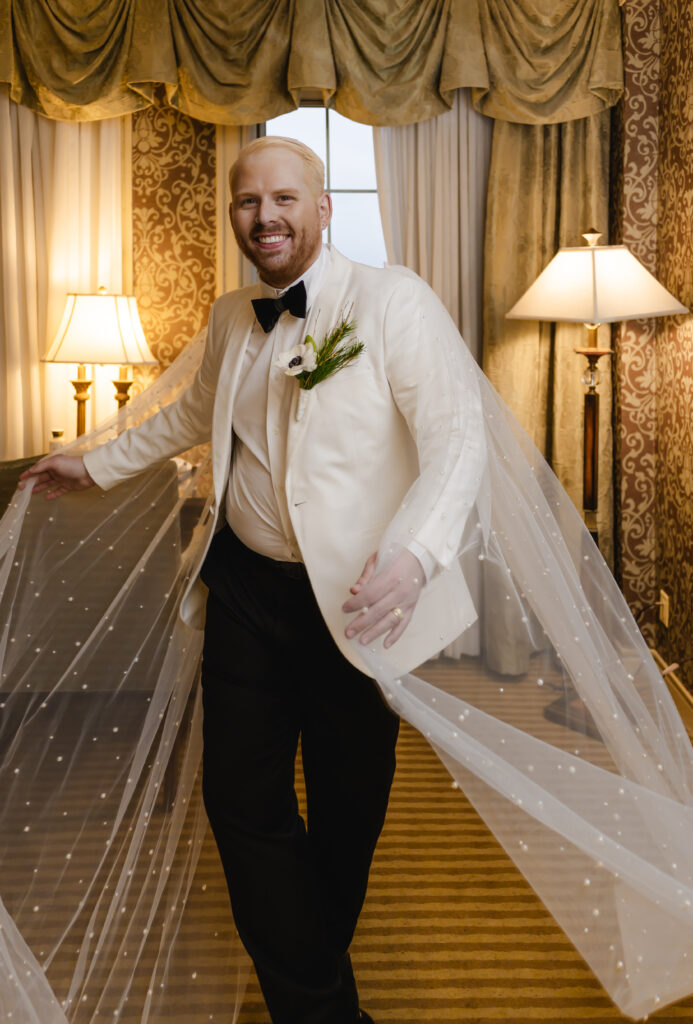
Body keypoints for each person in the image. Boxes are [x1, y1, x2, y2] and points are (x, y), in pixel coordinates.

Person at [19, 136, 485, 1024]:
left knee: (348, 812)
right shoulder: (234, 315)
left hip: (356, 604)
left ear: (322, 207)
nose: (263, 217)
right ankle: (321, 1008)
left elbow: (458, 436)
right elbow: (187, 415)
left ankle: (305, 975)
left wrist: (414, 554)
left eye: (282, 199)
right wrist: (94, 462)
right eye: (246, 202)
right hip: (244, 590)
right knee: (239, 800)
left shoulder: (394, 303)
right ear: (232, 213)